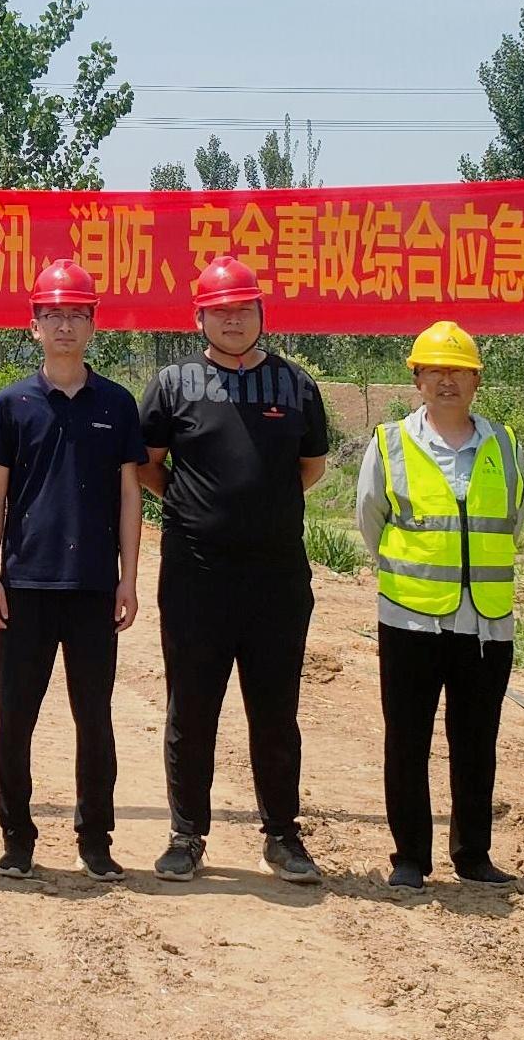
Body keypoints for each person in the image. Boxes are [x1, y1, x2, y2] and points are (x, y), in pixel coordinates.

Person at [139, 255, 328, 884]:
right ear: (199, 318)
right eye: (220, 312)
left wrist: (258, 510)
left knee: (275, 711)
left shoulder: (295, 384)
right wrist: (194, 506)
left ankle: (282, 836)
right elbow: (149, 464)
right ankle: (186, 835)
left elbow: (310, 467)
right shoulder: (172, 385)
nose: (233, 321)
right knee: (192, 709)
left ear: (261, 313)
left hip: (277, 580)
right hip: (196, 577)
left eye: (244, 309)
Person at [0, 258, 145, 882]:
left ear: (94, 324)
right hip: (25, 584)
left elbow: (129, 494)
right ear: (35, 325)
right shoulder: (12, 404)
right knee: (14, 720)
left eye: (77, 314)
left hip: (94, 587)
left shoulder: (116, 403)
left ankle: (95, 838)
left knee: (94, 719)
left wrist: (128, 578)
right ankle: (17, 839)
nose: (65, 326)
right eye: (53, 315)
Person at [356, 321, 522, 889]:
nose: (447, 381)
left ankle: (473, 854)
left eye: (459, 371)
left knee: (476, 743)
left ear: (476, 380)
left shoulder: (503, 444)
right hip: (410, 618)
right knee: (407, 740)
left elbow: (511, 518)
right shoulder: (390, 442)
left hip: (486, 622)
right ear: (417, 379)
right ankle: (410, 858)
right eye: (435, 371)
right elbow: (370, 519)